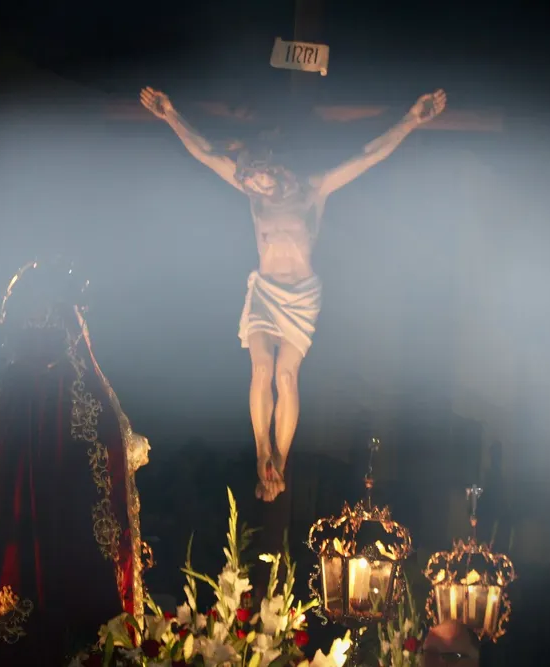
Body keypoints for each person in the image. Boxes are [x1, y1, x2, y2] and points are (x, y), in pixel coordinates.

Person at [139, 86, 447, 501]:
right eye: (251, 181)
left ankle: (280, 458)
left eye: (260, 179)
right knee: (262, 370)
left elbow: (367, 155)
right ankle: (261, 450)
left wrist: (412, 119)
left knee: (286, 374)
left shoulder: (313, 189)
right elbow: (206, 153)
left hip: (301, 295)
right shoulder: (252, 191)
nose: (256, 187)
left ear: (277, 168)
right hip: (265, 290)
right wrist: (170, 114)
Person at [0, 259, 151, 666]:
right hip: (57, 561)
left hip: (36, 550)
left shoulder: (15, 392)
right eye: (77, 322)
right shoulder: (65, 387)